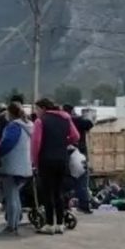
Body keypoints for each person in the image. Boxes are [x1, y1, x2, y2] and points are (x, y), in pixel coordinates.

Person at [32, 98, 80, 235]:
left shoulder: (40, 121)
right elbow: (75, 136)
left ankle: (49, 224)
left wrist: (35, 161)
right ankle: (60, 223)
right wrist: (63, 141)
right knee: (59, 192)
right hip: (62, 158)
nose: (36, 112)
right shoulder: (65, 118)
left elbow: (36, 143)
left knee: (47, 192)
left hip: (46, 160)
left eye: (37, 109)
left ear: (42, 108)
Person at [0, 103, 33, 235]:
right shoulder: (29, 125)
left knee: (11, 196)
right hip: (25, 166)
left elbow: (7, 143)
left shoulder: (13, 126)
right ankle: (15, 223)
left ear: (9, 114)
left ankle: (11, 225)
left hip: (11, 165)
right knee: (15, 196)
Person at [63, 104, 94, 214]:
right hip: (79, 153)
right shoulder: (76, 120)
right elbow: (90, 124)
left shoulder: (62, 121)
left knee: (65, 180)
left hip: (65, 153)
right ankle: (84, 204)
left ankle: (65, 204)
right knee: (82, 179)